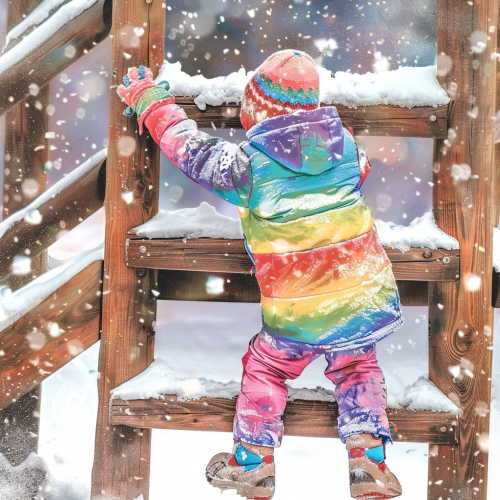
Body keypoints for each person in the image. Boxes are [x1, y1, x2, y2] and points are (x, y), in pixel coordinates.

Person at [117, 50, 403, 500]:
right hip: (359, 298)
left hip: (298, 308)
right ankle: (369, 461)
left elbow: (186, 149)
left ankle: (253, 462)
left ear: (256, 111)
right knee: (358, 366)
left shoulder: (247, 166)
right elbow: (359, 171)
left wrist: (151, 101)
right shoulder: (347, 147)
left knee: (266, 367)